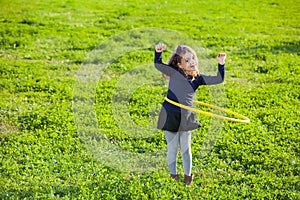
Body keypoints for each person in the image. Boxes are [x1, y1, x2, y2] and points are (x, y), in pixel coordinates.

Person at [154, 43, 226, 186]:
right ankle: (173, 176)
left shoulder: (197, 78)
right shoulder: (174, 72)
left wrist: (221, 64)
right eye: (187, 60)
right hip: (170, 115)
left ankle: (188, 179)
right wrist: (158, 53)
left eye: (193, 58)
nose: (192, 62)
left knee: (186, 150)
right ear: (180, 65)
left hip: (186, 117)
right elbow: (158, 65)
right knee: (173, 148)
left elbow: (219, 79)